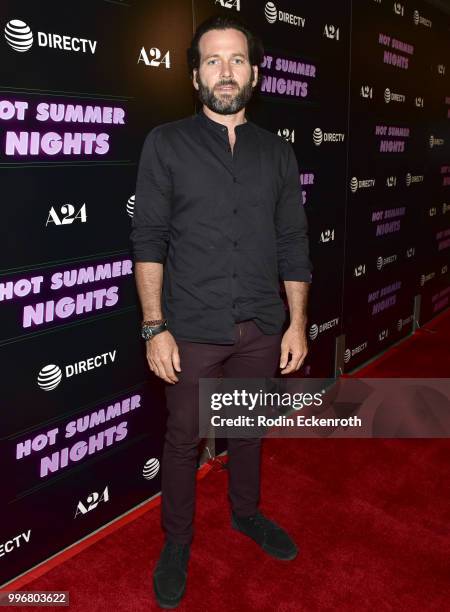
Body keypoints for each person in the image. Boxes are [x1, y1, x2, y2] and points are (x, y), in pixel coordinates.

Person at [130, 14, 313, 609]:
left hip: (261, 324)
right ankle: (177, 542)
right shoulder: (166, 144)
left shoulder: (277, 154)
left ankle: (246, 515)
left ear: (254, 74)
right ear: (194, 76)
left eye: (236, 60)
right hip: (191, 328)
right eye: (213, 61)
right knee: (184, 439)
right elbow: (149, 241)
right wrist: (155, 326)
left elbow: (293, 241)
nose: (225, 72)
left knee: (248, 431)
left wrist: (298, 322)